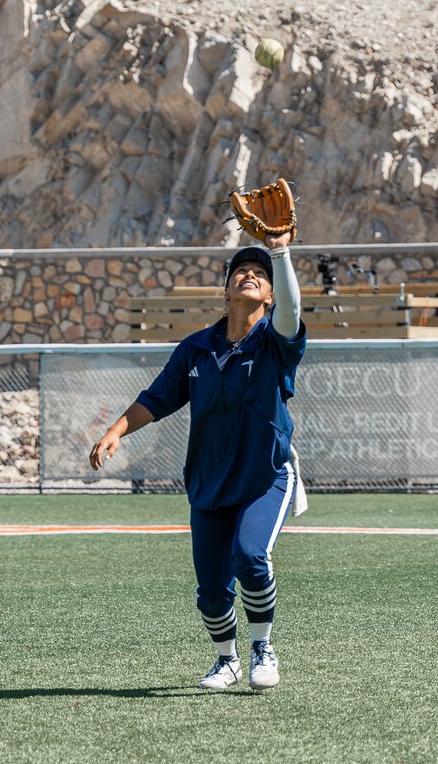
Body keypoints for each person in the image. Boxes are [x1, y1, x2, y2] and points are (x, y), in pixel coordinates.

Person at [89, 230, 306, 692]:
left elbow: (292, 311)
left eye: (260, 275)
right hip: (209, 481)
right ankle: (225, 660)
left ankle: (262, 647)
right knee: (210, 591)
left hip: (265, 474)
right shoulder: (197, 348)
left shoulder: (275, 340)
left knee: (250, 557)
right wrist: (117, 430)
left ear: (269, 295)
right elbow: (158, 398)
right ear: (225, 290)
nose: (250, 274)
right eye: (241, 271)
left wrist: (280, 252)